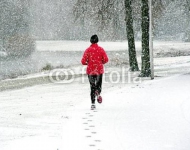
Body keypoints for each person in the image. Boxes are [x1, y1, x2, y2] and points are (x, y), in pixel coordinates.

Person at [81, 35, 109, 109]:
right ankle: (98, 91)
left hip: (90, 71)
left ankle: (93, 103)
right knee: (98, 85)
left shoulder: (88, 50)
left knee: (92, 87)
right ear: (97, 41)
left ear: (90, 41)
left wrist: (89, 63)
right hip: (99, 70)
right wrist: (100, 62)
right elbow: (106, 59)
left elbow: (83, 61)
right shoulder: (101, 49)